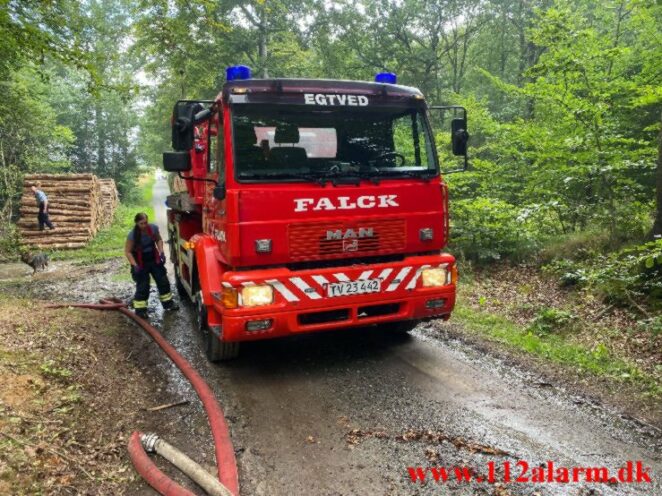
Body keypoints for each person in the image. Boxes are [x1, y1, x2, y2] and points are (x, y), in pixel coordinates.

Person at [124, 212, 177, 318]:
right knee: (143, 285)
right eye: (141, 223)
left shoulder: (152, 228)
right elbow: (128, 252)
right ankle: (140, 310)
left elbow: (158, 239)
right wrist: (135, 265)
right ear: (137, 223)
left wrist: (161, 252)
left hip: (153, 257)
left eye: (145, 223)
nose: (144, 225)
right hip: (140, 261)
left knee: (162, 280)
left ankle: (168, 304)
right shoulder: (132, 235)